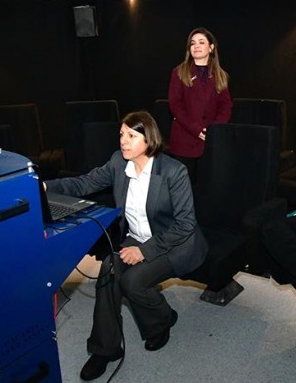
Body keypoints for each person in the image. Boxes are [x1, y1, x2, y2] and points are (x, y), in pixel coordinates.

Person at [44, 111, 208, 381]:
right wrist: (44, 187)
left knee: (133, 282)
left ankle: (163, 319)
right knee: (109, 270)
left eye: (131, 135)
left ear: (149, 138)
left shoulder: (173, 171)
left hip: (175, 243)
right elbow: (85, 182)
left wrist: (143, 251)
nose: (123, 141)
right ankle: (105, 349)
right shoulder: (118, 162)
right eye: (121, 134)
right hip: (137, 237)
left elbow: (185, 224)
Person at [167, 27, 233, 180]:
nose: (196, 46)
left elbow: (226, 106)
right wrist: (197, 130)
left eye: (201, 42)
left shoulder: (221, 75)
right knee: (184, 188)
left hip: (211, 142)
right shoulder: (178, 72)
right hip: (184, 142)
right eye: (193, 43)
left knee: (208, 187)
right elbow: (175, 105)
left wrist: (213, 130)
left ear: (211, 47)